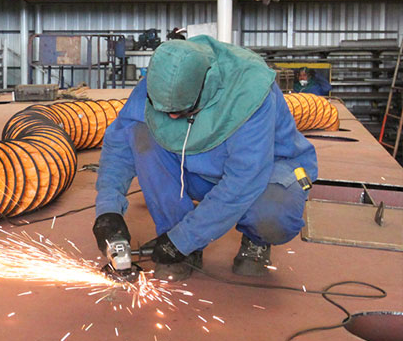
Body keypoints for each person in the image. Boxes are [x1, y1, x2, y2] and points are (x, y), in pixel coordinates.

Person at [93, 35, 318, 281]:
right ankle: (178, 240)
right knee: (141, 134)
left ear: (207, 85)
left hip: (264, 175)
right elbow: (120, 144)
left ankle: (256, 241)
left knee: (274, 214)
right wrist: (108, 210)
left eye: (181, 111)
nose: (174, 119)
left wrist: (183, 240)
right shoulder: (162, 80)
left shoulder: (251, 91)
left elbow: (244, 180)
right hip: (198, 167)